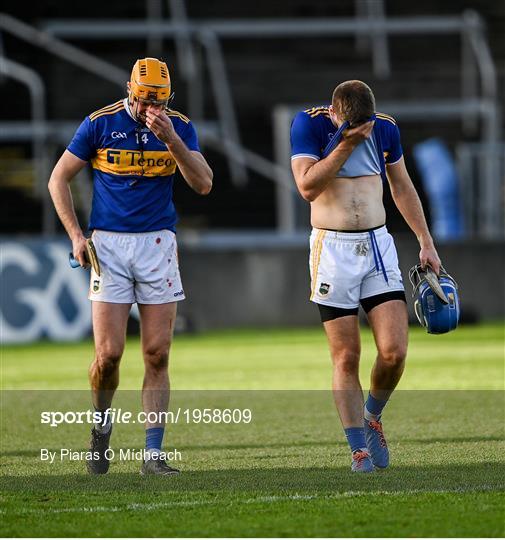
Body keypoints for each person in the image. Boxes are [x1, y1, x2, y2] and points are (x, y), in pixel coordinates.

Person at [48, 57, 213, 475]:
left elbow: (203, 183)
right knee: (109, 355)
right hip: (110, 246)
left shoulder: (179, 125)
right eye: (142, 100)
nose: (148, 110)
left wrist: (172, 140)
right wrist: (75, 235)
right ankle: (101, 431)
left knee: (157, 354)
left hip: (158, 244)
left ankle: (153, 455)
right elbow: (58, 178)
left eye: (157, 101)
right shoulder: (100, 123)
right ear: (129, 90)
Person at [290, 80, 441, 473]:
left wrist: (426, 241)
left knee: (394, 352)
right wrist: (346, 143)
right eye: (357, 125)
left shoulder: (385, 127)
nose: (366, 131)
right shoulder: (308, 125)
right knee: (347, 355)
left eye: (367, 125)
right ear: (335, 113)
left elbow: (402, 186)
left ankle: (372, 416)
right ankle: (358, 450)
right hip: (332, 251)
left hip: (377, 245)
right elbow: (306, 186)